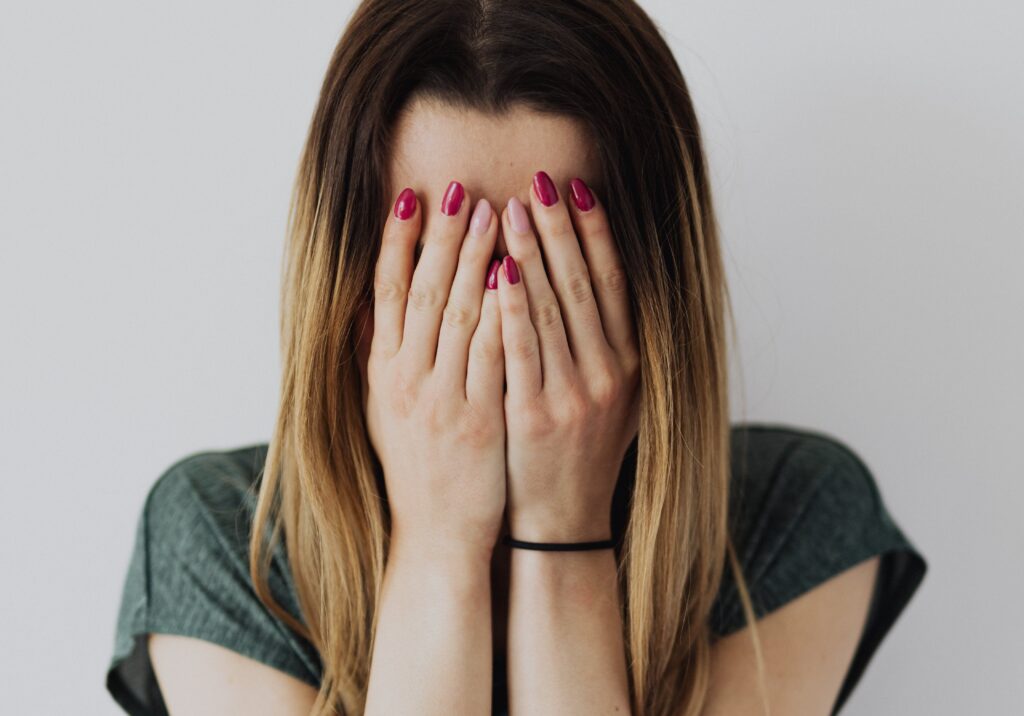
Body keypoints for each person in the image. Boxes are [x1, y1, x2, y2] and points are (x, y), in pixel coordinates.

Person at [105, 1, 927, 714]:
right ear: (350, 290)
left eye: (544, 272)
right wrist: (436, 544)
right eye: (440, 266)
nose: (490, 324)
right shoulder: (222, 542)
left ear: (650, 297)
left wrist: (562, 532)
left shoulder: (794, 518)